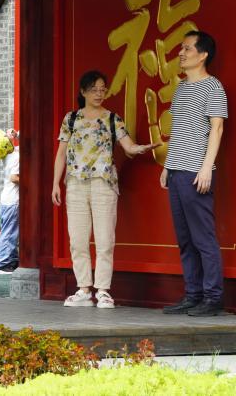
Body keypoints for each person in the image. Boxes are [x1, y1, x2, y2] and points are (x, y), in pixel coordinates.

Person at [52, 71, 155, 309]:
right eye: (94, 90)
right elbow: (61, 154)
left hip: (103, 184)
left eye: (102, 89)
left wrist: (141, 148)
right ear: (83, 92)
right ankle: (83, 289)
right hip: (76, 183)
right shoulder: (71, 119)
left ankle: (103, 291)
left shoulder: (112, 119)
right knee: (77, 240)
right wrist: (55, 183)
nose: (99, 94)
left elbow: (128, 146)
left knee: (105, 239)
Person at [160, 31, 228, 317]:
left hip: (196, 171)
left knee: (203, 238)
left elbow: (217, 128)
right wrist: (167, 166)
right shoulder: (181, 88)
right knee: (185, 239)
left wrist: (206, 167)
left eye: (187, 48)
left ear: (203, 55)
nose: (181, 53)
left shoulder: (213, 87)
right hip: (177, 170)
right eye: (181, 48)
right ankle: (193, 294)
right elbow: (178, 131)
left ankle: (213, 297)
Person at [0, 129, 21, 274]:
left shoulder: (8, 154)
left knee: (9, 231)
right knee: (9, 233)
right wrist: (31, 180)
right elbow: (14, 178)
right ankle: (2, 264)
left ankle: (11, 260)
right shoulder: (16, 156)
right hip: (13, 200)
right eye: (6, 136)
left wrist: (16, 135)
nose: (9, 134)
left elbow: (25, 145)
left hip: (6, 199)